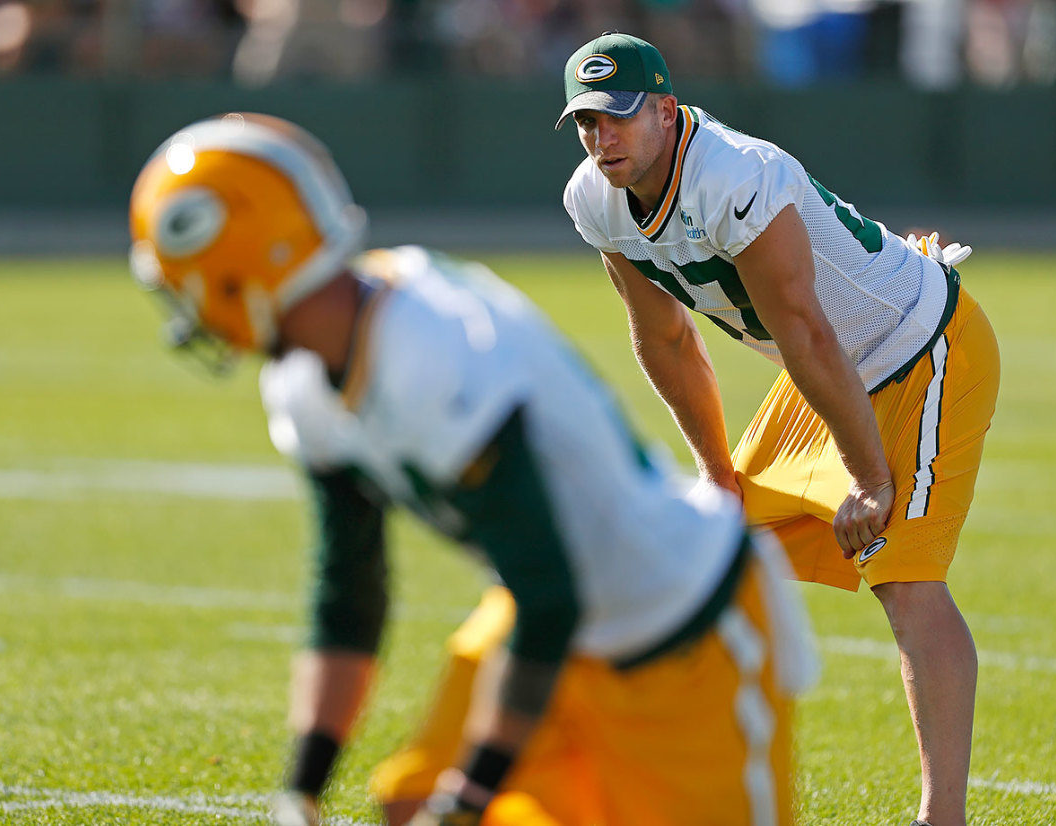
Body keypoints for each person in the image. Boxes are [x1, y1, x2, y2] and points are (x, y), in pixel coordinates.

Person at [127, 112, 818, 826]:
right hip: (543, 614)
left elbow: (553, 593)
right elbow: (348, 592)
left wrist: (474, 792)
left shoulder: (435, 350)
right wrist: (302, 790)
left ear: (237, 262)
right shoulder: (305, 381)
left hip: (681, 626)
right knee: (409, 803)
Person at [555, 32, 1000, 826]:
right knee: (704, 562)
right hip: (826, 372)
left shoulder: (731, 174)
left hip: (919, 345)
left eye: (618, 117)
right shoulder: (593, 196)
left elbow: (806, 329)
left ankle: (945, 816)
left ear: (665, 108)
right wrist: (715, 473)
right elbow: (663, 339)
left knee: (903, 575)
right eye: (587, 122)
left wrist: (870, 478)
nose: (602, 138)